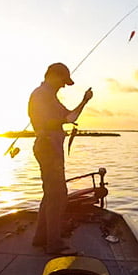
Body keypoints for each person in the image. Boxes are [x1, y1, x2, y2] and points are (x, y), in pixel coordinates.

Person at [28, 62, 93, 255]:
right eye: (63, 81)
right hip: (48, 148)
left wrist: (84, 101)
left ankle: (41, 238)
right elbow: (47, 122)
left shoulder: (51, 98)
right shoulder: (40, 95)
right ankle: (54, 244)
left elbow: (70, 117)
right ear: (53, 76)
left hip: (53, 149)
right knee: (57, 196)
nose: (63, 85)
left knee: (51, 194)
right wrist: (63, 120)